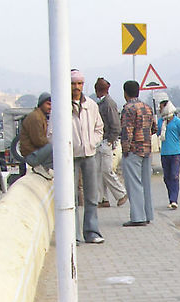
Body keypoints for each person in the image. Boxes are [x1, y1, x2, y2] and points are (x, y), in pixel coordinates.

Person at [69, 69, 105, 244]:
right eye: (73, 84)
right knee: (71, 198)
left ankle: (91, 231)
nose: (76, 87)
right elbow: (51, 134)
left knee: (91, 195)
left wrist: (92, 142)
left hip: (89, 154)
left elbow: (99, 128)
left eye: (79, 84)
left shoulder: (91, 105)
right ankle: (73, 234)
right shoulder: (61, 106)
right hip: (71, 157)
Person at [119, 80, 157, 227]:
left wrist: (125, 149)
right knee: (146, 184)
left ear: (125, 93)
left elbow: (127, 131)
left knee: (134, 184)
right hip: (147, 149)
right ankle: (148, 214)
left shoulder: (128, 109)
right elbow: (154, 128)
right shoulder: (147, 107)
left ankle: (137, 217)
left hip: (134, 150)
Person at [94, 77, 128, 209]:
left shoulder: (108, 104)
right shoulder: (103, 103)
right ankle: (102, 198)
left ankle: (121, 193)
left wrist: (110, 141)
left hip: (106, 142)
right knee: (99, 171)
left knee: (106, 170)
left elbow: (115, 125)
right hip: (101, 141)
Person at [158, 101, 180, 209]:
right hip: (164, 153)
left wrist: (176, 146)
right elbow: (158, 133)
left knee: (174, 176)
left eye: (161, 108)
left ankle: (174, 199)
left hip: (175, 154)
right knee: (166, 177)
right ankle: (171, 197)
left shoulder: (178, 122)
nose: (160, 110)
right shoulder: (161, 122)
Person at [19, 92, 53, 179]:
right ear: (41, 104)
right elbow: (38, 141)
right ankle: (40, 167)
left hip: (35, 154)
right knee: (55, 146)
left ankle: (45, 167)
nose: (50, 107)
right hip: (32, 156)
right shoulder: (36, 117)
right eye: (48, 104)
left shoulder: (41, 116)